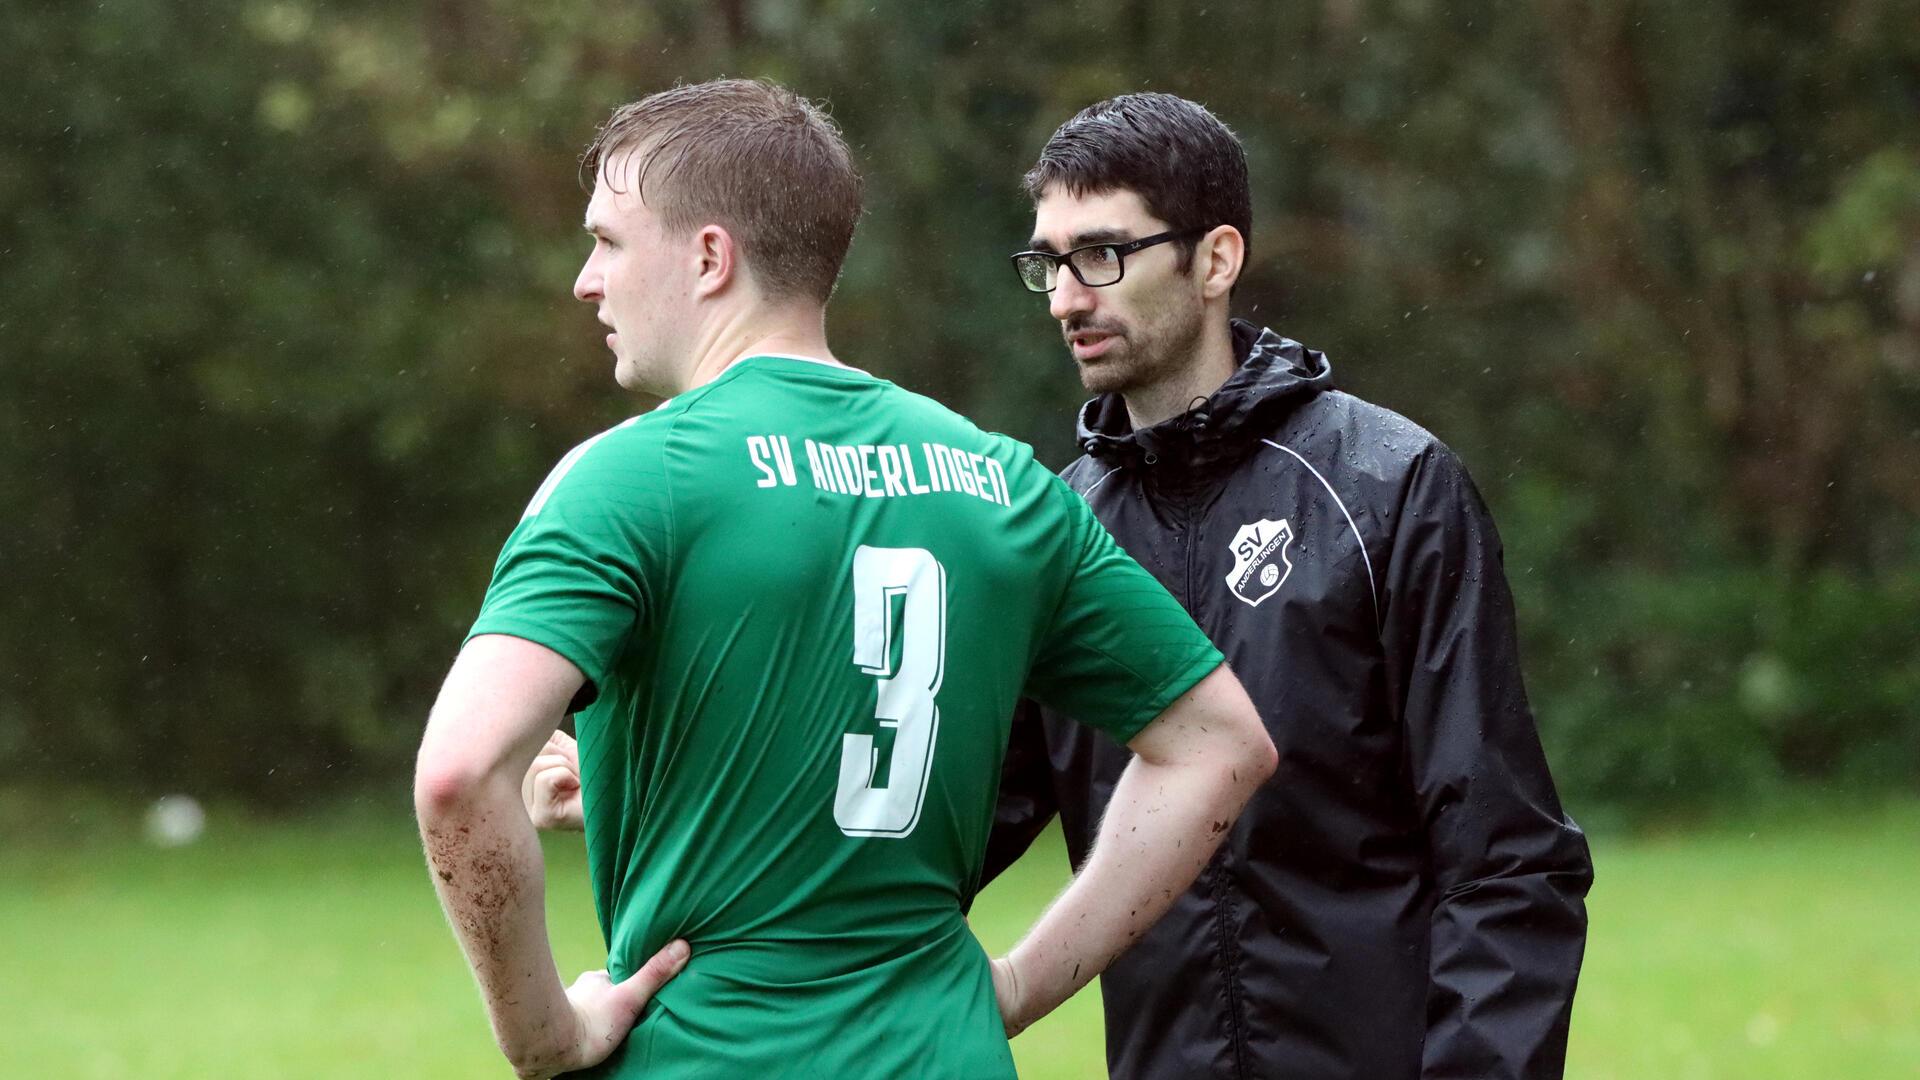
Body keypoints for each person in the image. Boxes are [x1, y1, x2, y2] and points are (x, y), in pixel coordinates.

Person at [411, 79, 1276, 1080]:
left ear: (707, 258)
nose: (585, 281)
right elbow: (1220, 744)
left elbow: (458, 776)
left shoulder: (626, 477)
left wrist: (543, 1037)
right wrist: (1013, 987)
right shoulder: (1004, 484)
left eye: (607, 241)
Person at [985, 93, 1595, 1079]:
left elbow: (1506, 858)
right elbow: (952, 823)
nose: (1065, 298)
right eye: (1047, 264)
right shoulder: (1057, 533)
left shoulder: (1388, 487)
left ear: (1217, 259)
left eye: (1101, 255)